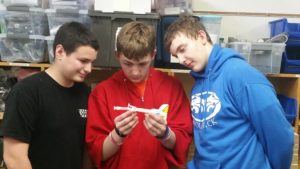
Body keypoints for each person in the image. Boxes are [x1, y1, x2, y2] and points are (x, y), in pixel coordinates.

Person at [164, 15, 294, 169]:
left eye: (182, 49)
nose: (181, 60)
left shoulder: (241, 75)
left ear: (201, 36)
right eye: (176, 55)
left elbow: (280, 136)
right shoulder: (197, 86)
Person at [85, 21, 193, 169]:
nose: (135, 72)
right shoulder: (102, 93)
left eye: (142, 64)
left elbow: (182, 143)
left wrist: (165, 134)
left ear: (153, 54)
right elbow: (97, 153)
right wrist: (117, 135)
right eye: (127, 64)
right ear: (117, 55)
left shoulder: (172, 88)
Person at [2, 21, 99, 169]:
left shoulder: (85, 92)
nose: (89, 69)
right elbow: (14, 157)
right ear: (60, 52)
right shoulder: (26, 92)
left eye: (92, 62)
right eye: (83, 61)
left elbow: (85, 150)